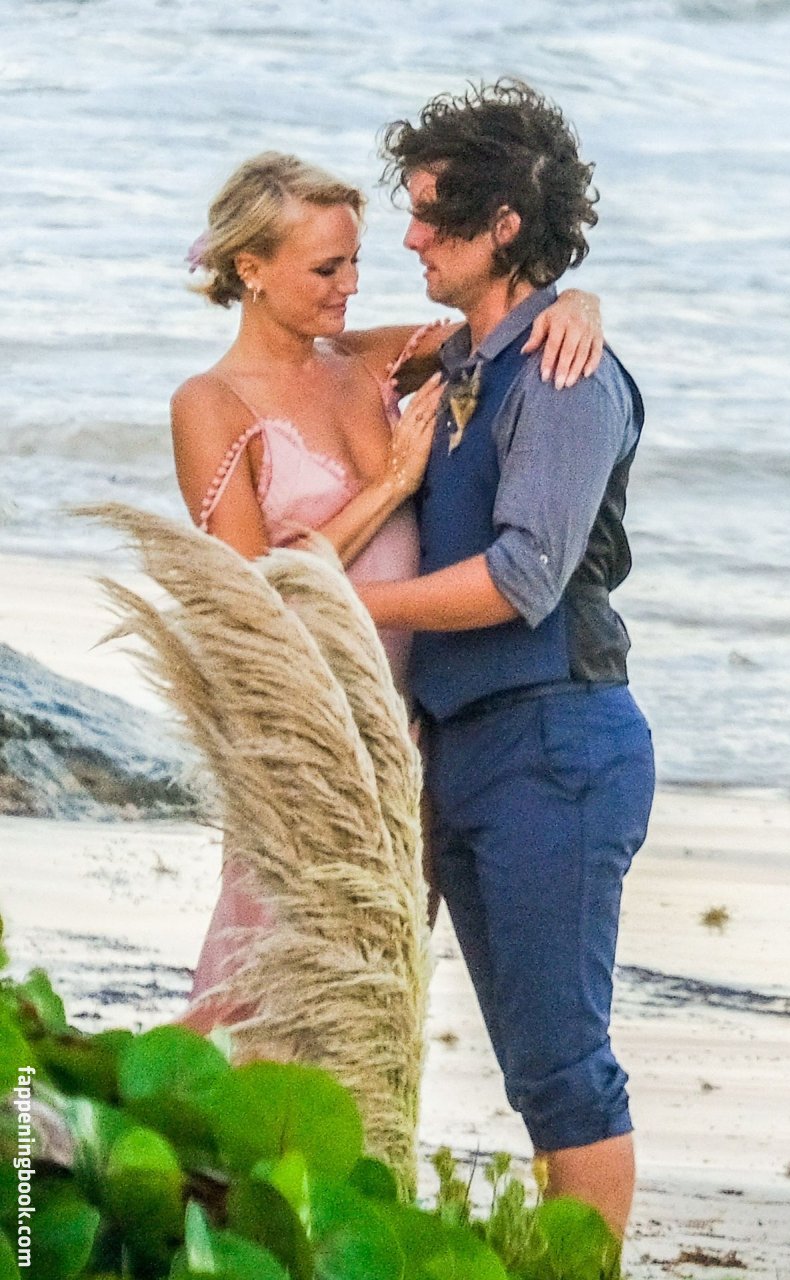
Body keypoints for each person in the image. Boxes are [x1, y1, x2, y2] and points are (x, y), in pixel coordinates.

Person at [169, 150, 605, 1032]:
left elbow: (502, 322)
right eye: (326, 269)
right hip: (304, 734)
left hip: (410, 731)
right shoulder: (209, 404)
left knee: (375, 996)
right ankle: (53, 1105)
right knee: (261, 986)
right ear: (250, 268)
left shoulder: (369, 362)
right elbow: (258, 599)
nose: (352, 287)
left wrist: (579, 305)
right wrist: (392, 485)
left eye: (356, 261)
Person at [355, 81, 656, 1240]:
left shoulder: (566, 377)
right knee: (533, 1069)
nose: (410, 238)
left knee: (563, 1069)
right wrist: (567, 295)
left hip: (556, 746)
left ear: (503, 225)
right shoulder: (467, 360)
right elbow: (317, 346)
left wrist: (347, 604)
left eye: (432, 214)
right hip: (472, 747)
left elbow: (524, 576)